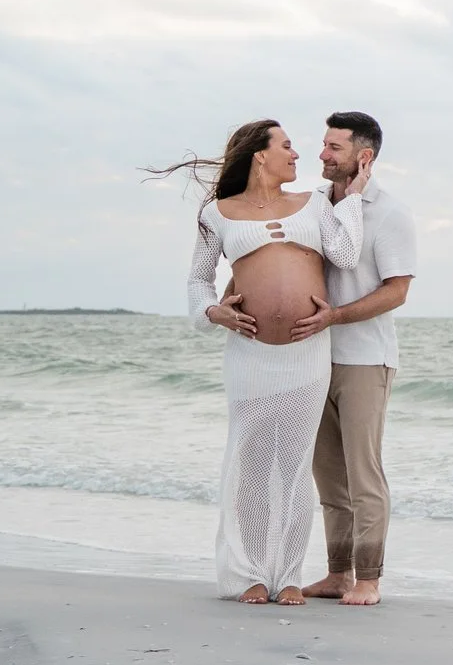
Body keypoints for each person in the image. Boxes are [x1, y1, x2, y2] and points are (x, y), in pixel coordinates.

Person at [161, 119, 369, 604]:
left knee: (296, 468)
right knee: (250, 465)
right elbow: (198, 280)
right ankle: (248, 573)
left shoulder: (316, 203)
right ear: (260, 154)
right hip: (249, 356)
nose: (298, 156)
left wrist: (353, 195)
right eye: (288, 146)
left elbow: (344, 252)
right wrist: (213, 312)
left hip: (307, 354)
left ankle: (289, 574)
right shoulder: (217, 213)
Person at [295, 111, 416, 606]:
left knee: (364, 476)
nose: (322, 155)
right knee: (329, 477)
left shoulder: (389, 212)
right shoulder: (315, 206)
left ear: (363, 157)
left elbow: (397, 291)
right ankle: (338, 574)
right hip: (313, 358)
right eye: (323, 145)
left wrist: (336, 318)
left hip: (365, 359)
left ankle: (369, 578)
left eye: (334, 148)